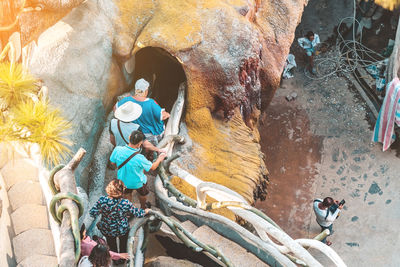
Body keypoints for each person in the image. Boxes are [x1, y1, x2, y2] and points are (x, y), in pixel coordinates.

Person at [89, 179, 149, 265]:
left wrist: (102, 212)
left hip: (107, 228)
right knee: (123, 244)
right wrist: (145, 211)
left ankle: (115, 259)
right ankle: (123, 259)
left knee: (111, 244)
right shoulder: (125, 203)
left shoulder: (102, 200)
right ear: (122, 191)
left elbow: (92, 212)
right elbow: (137, 213)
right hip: (122, 228)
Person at [109, 130, 167, 208]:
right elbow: (153, 167)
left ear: (129, 137)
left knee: (127, 194)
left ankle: (129, 208)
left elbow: (112, 163)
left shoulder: (117, 149)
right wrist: (160, 158)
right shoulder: (140, 158)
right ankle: (143, 207)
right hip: (138, 182)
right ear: (140, 144)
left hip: (122, 180)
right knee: (142, 194)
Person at [115, 78, 170, 145]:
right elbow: (163, 116)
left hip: (136, 133)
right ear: (146, 91)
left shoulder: (126, 100)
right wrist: (168, 114)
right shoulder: (151, 103)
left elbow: (115, 108)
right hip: (152, 134)